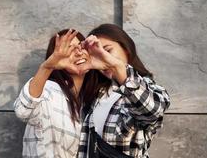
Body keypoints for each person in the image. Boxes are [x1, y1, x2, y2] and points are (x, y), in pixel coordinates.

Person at [77, 24, 170, 158]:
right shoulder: (98, 94)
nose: (103, 58)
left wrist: (116, 66)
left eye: (108, 51)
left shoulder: (150, 90)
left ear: (126, 49)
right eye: (98, 54)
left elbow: (152, 111)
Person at [14, 29, 90, 158]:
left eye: (81, 46)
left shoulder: (92, 98)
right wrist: (47, 67)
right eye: (69, 49)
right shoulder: (49, 90)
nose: (78, 53)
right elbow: (22, 110)